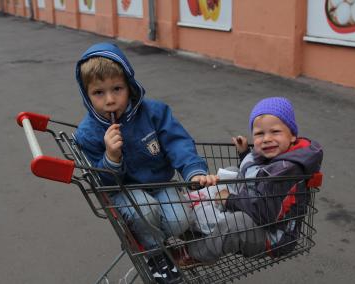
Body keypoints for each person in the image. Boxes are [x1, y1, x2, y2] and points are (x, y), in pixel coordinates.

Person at [73, 42, 218, 283]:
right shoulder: (89, 133)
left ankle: (150, 235)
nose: (110, 100)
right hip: (124, 189)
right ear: (87, 95)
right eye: (99, 93)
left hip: (160, 182)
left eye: (117, 88)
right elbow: (102, 178)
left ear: (129, 86)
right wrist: (111, 157)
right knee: (145, 210)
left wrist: (193, 171)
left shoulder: (154, 112)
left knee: (178, 221)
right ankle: (155, 253)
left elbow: (177, 142)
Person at [178, 97, 323, 265]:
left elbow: (264, 213)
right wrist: (245, 153)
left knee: (236, 223)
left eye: (275, 132)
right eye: (260, 134)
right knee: (233, 173)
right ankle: (196, 213)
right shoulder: (278, 155)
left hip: (273, 237)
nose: (267, 138)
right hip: (257, 211)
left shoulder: (288, 171)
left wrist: (229, 200)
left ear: (292, 136)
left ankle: (195, 254)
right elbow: (257, 174)